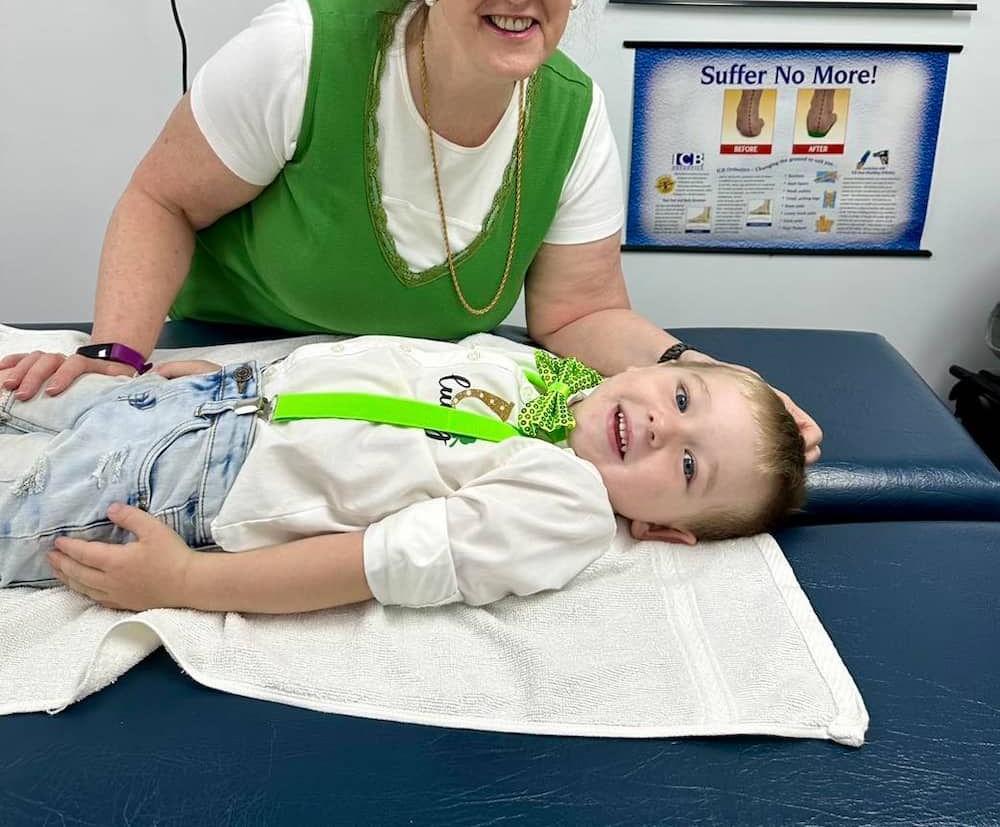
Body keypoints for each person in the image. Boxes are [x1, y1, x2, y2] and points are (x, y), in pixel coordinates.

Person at [2, 0, 821, 462]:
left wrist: (704, 375)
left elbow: (577, 314)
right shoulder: (303, 50)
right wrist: (116, 360)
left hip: (401, 399)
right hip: (228, 361)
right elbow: (161, 200)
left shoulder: (573, 115)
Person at [1, 334, 806, 612]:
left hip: (195, 479)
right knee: (29, 386)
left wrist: (182, 583)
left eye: (690, 463)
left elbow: (367, 565)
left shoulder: (568, 505)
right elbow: (375, 367)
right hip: (223, 393)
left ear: (664, 527)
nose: (665, 424)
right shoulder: (535, 371)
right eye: (681, 393)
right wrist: (228, 376)